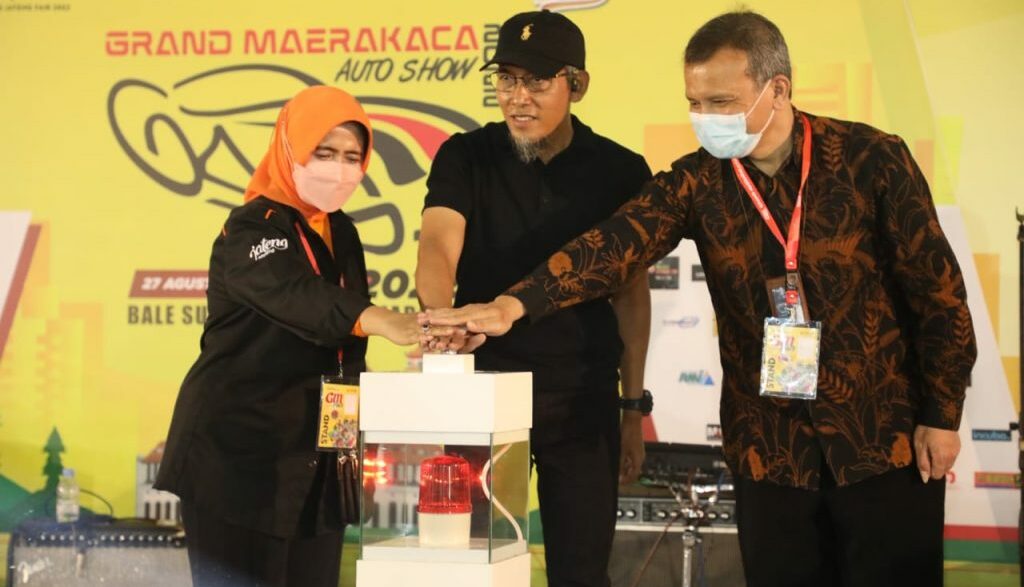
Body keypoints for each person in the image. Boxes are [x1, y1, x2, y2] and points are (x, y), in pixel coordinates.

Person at [426, 11, 977, 587]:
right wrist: (514, 305)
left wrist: (942, 416)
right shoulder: (698, 182)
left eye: (721, 102)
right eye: (695, 103)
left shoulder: (871, 158)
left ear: (777, 89)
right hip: (769, 450)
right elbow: (613, 246)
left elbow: (939, 295)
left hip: (885, 440)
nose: (706, 118)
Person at [414, 10, 652, 587]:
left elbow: (631, 298)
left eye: (538, 82)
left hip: (583, 398)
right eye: (507, 79)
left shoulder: (621, 171)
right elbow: (438, 246)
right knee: (474, 566)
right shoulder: (465, 155)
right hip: (483, 393)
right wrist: (440, 322)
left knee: (581, 570)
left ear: (578, 84)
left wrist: (631, 408)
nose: (518, 98)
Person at [154, 85, 427, 587]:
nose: (339, 169)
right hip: (238, 457)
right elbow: (295, 297)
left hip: (320, 459)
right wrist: (380, 317)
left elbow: (341, 347)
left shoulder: (342, 231)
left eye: (352, 157)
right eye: (323, 152)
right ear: (289, 147)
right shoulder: (251, 228)